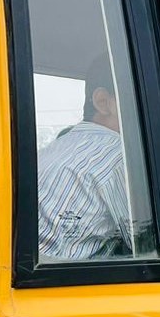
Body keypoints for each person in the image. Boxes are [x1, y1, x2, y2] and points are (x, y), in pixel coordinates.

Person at [37, 56, 136, 261]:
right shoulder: (116, 155)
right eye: (137, 100)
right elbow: (145, 242)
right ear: (103, 102)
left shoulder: (54, 149)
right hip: (66, 281)